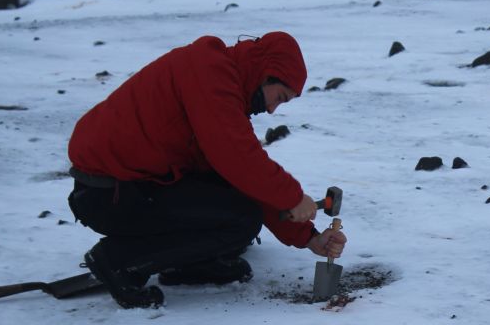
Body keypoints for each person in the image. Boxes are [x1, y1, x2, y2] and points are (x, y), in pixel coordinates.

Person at [67, 32, 347, 309]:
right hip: (108, 194)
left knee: (234, 209)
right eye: (280, 97)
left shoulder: (222, 86)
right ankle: (117, 261)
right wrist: (293, 198)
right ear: (266, 74)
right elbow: (238, 158)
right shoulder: (209, 73)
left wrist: (309, 237)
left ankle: (187, 264)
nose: (273, 110)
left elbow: (239, 176)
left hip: (132, 184)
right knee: (241, 220)